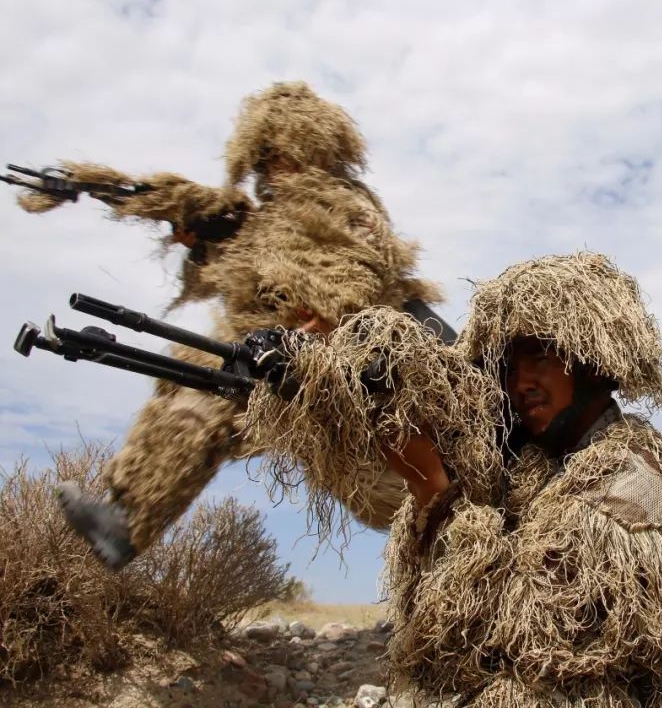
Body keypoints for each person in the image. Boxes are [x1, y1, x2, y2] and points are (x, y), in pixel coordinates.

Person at [250, 252, 662, 706]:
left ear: (596, 361)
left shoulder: (631, 481)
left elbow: (503, 646)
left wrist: (433, 487)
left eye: (541, 356)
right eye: (506, 365)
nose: (519, 382)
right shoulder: (544, 467)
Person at [16, 82, 441, 569]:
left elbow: (358, 282)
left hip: (360, 391)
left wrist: (315, 332)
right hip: (288, 382)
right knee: (192, 391)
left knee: (426, 507)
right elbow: (188, 203)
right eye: (264, 158)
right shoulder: (261, 223)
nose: (272, 168)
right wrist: (93, 186)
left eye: (280, 154)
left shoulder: (341, 205)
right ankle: (126, 520)